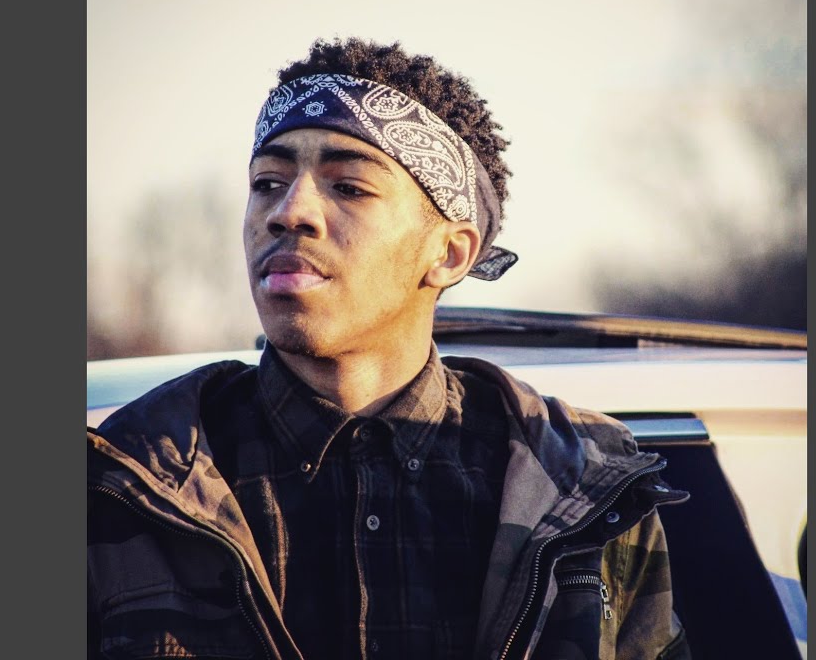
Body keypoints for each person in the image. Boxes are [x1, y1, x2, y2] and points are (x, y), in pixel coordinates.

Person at [87, 37, 691, 660]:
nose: (289, 212)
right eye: (267, 182)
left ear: (449, 253)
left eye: (349, 187)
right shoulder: (123, 479)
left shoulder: (586, 482)